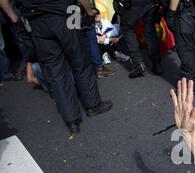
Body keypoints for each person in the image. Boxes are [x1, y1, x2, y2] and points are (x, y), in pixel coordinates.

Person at [0, 0, 113, 134]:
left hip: (36, 20)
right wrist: (88, 12)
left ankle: (72, 121)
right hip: (68, 13)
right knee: (80, 60)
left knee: (56, 71)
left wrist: (15, 20)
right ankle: (93, 105)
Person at [118, 0, 163, 78]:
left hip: (134, 3)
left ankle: (138, 63)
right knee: (150, 30)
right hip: (150, 3)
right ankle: (156, 63)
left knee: (127, 28)